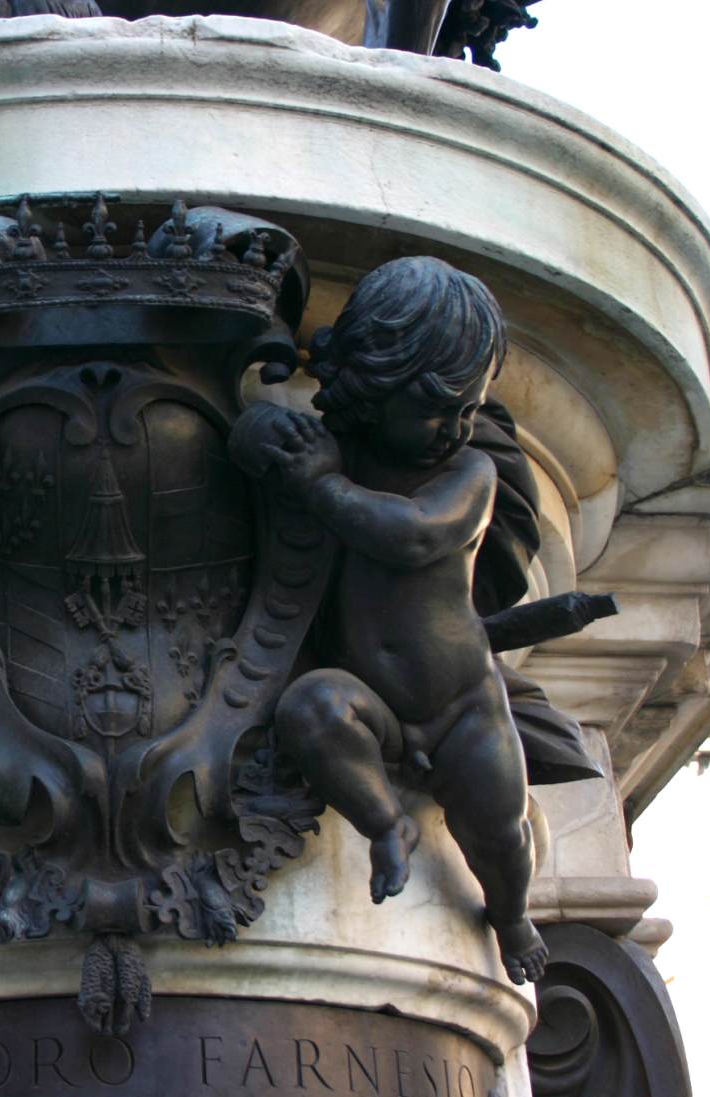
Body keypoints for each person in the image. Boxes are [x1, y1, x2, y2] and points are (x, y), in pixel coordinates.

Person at [255, 256, 547, 984]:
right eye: (434, 408)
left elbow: (412, 534)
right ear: (368, 384)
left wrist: (321, 485)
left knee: (500, 832)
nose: (452, 428)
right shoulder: (338, 454)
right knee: (312, 708)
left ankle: (511, 911)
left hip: (462, 709)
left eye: (468, 411)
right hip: (373, 703)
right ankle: (387, 823)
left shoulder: (468, 474)